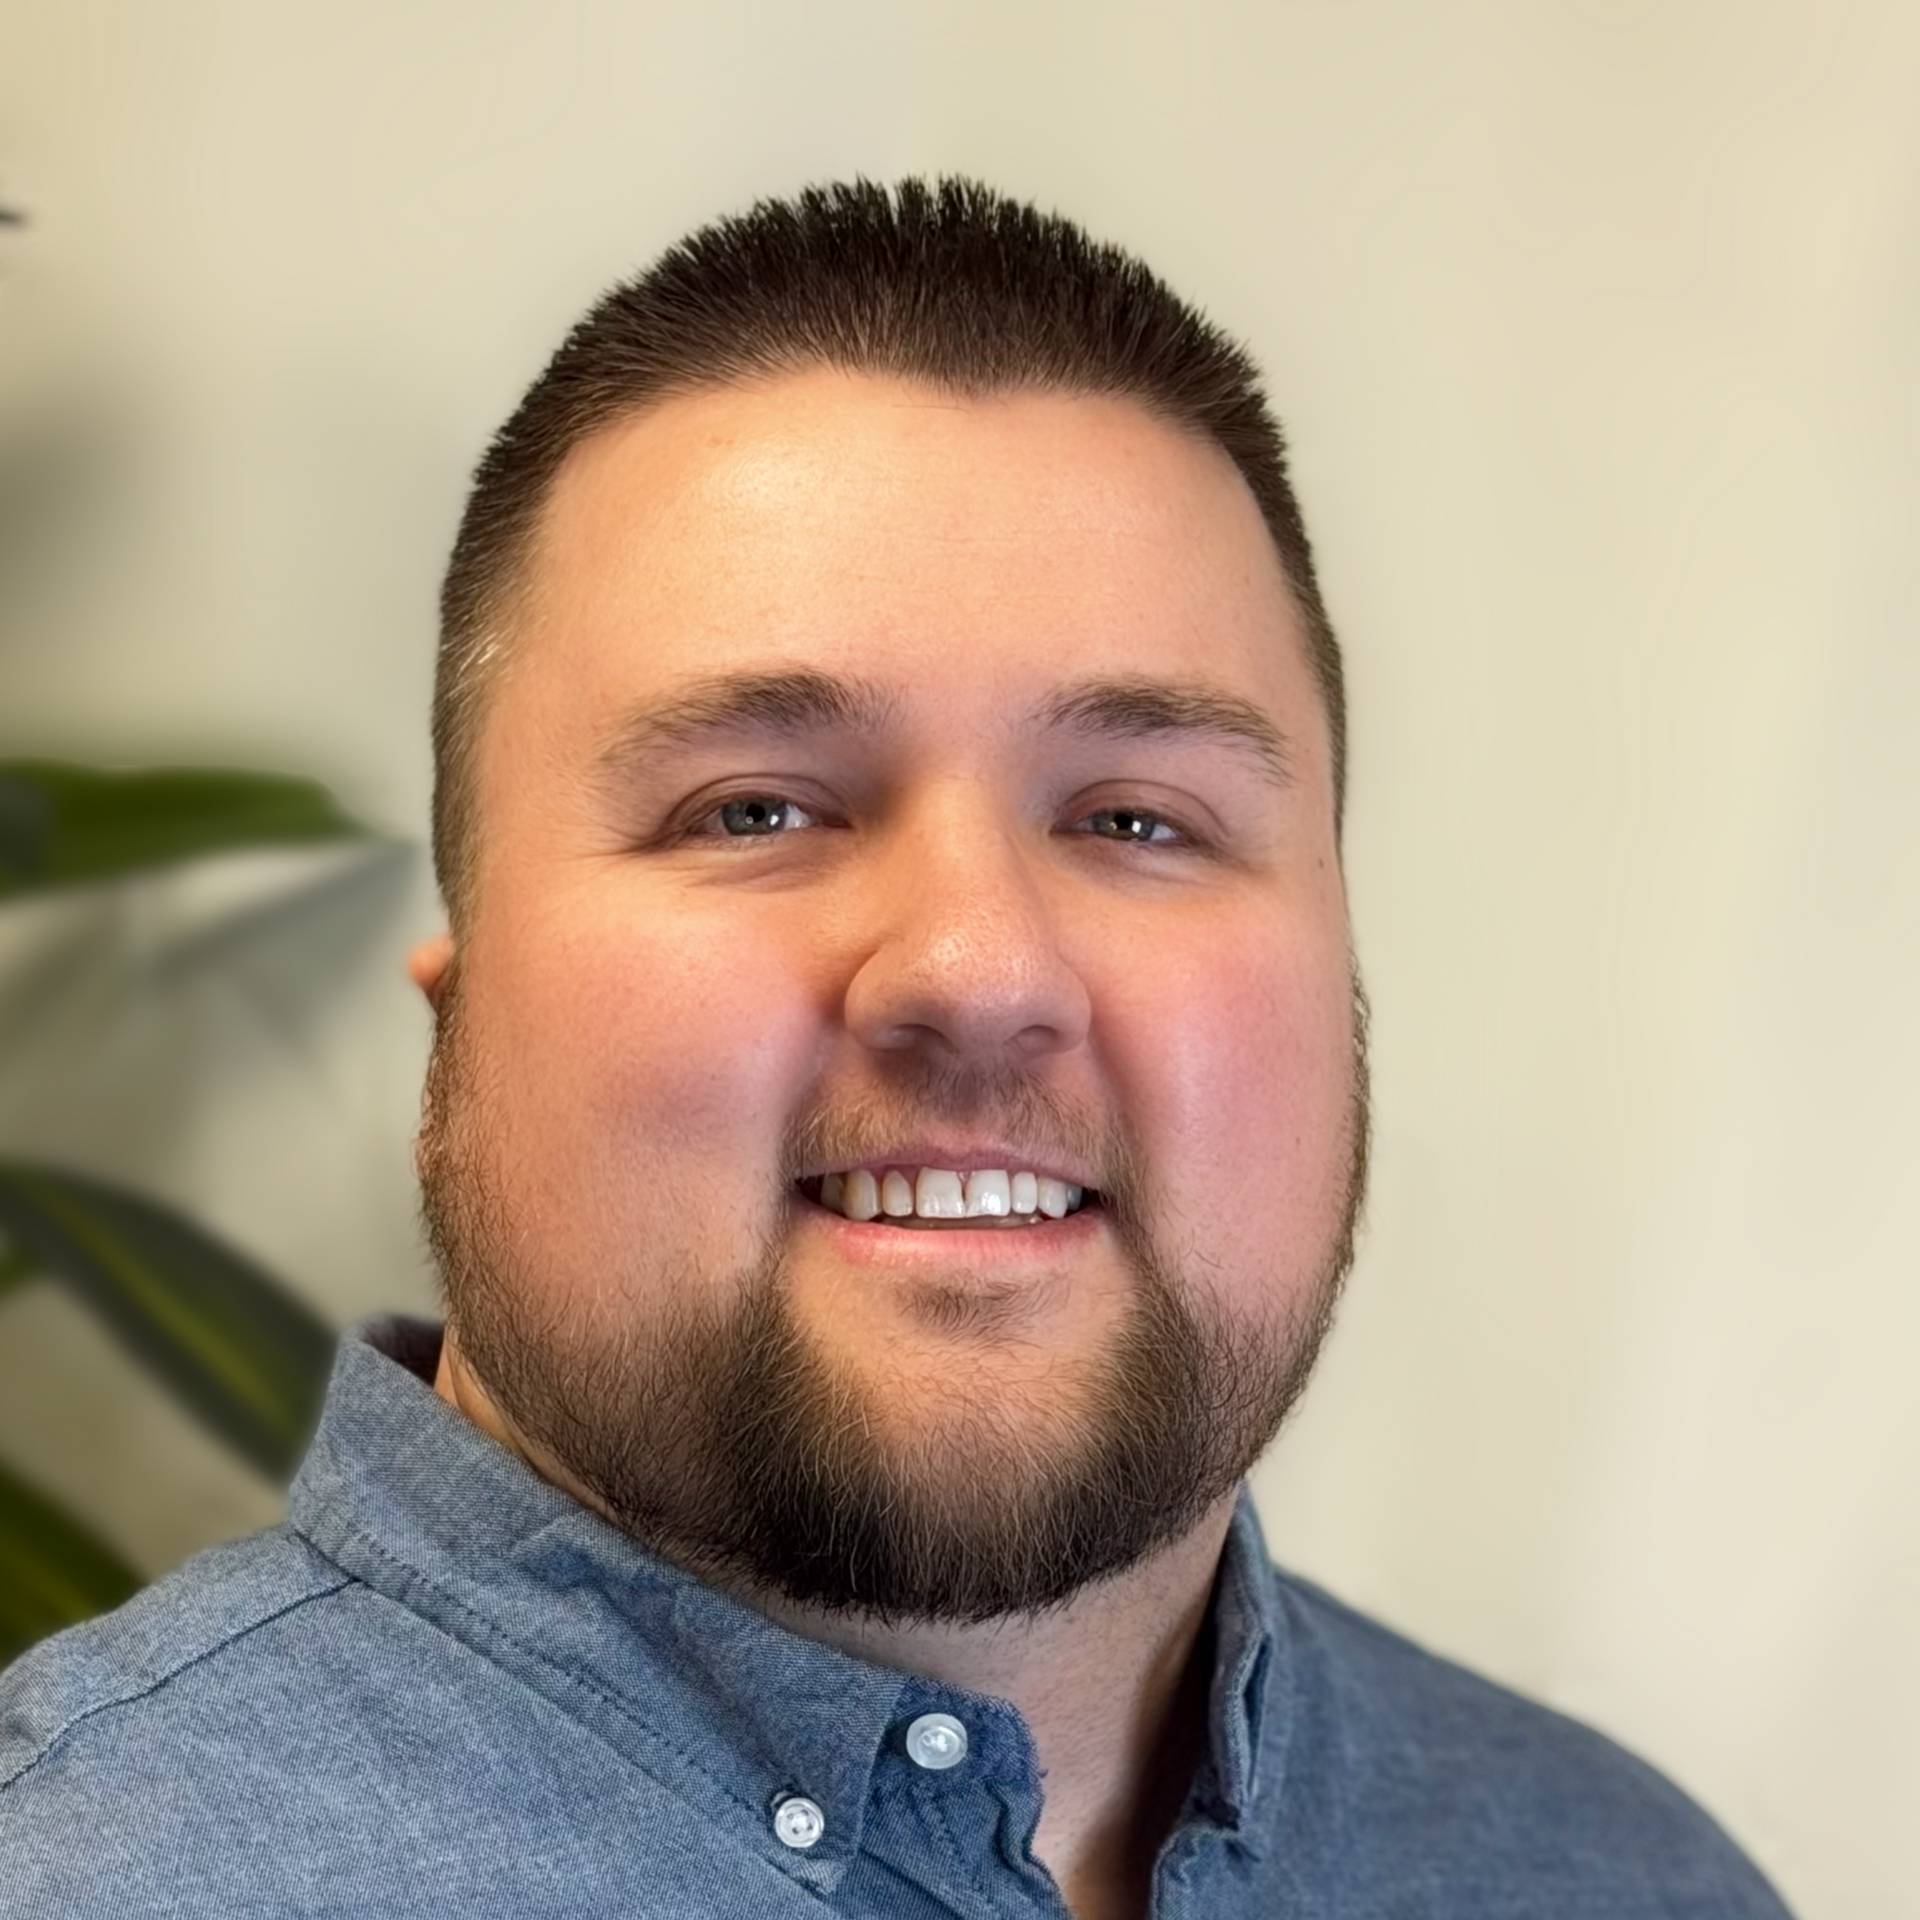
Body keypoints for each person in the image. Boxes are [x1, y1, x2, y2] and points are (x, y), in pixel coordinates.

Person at [0, 177, 1793, 1919]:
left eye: (1139, 819)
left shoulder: (1633, 1882)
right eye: (755, 808)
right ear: (455, 1013)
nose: (976, 967)